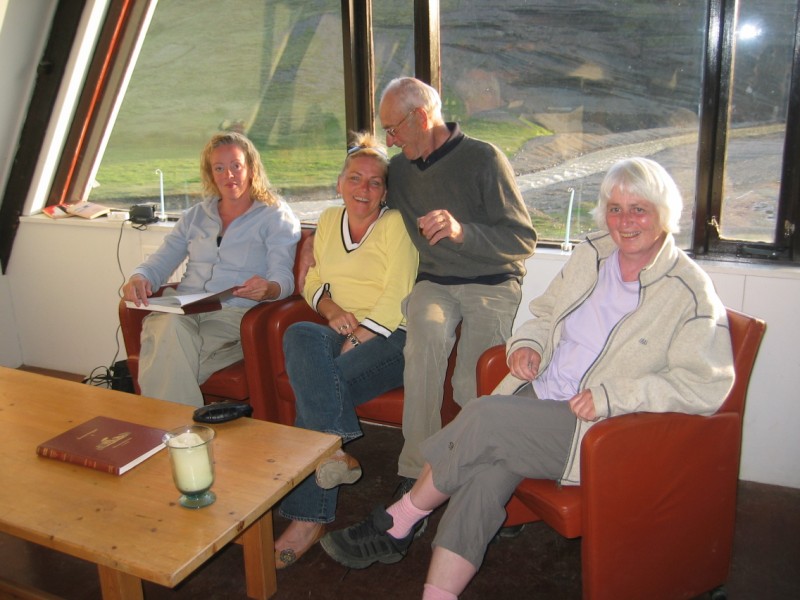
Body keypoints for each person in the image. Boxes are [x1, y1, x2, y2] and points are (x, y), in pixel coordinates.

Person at [319, 157, 736, 599]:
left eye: (639, 209)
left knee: (483, 415)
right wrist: (529, 345)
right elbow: (546, 312)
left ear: (664, 213)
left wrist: (613, 396)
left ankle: (399, 519)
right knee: (482, 480)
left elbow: (704, 385)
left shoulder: (688, 292)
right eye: (615, 208)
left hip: (595, 427)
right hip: (541, 395)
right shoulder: (593, 253)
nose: (624, 221)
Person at [299, 77, 536, 495]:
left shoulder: (484, 159)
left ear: (422, 117)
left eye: (393, 129)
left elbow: (522, 240)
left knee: (470, 383)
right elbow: (366, 205)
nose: (390, 140)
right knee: (422, 353)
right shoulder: (402, 171)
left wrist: (462, 232)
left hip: (491, 281)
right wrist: (313, 244)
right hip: (435, 282)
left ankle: (478, 474)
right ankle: (415, 475)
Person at [274, 133, 418, 569]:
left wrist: (356, 338)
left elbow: (398, 297)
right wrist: (332, 311)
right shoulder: (328, 219)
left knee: (317, 387)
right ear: (339, 183)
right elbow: (313, 281)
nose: (363, 188)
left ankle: (307, 519)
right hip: (339, 327)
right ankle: (333, 452)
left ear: (385, 191)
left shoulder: (396, 225)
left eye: (375, 182)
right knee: (299, 332)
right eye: (355, 178)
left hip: (393, 336)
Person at [122, 131, 300, 407]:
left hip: (232, 314)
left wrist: (269, 289)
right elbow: (161, 260)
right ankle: (181, 427)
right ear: (210, 174)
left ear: (251, 168)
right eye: (219, 168)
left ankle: (163, 426)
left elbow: (283, 277)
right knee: (171, 328)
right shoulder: (195, 216)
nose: (229, 175)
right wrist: (139, 276)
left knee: (164, 349)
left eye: (236, 166)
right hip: (184, 307)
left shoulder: (275, 215)